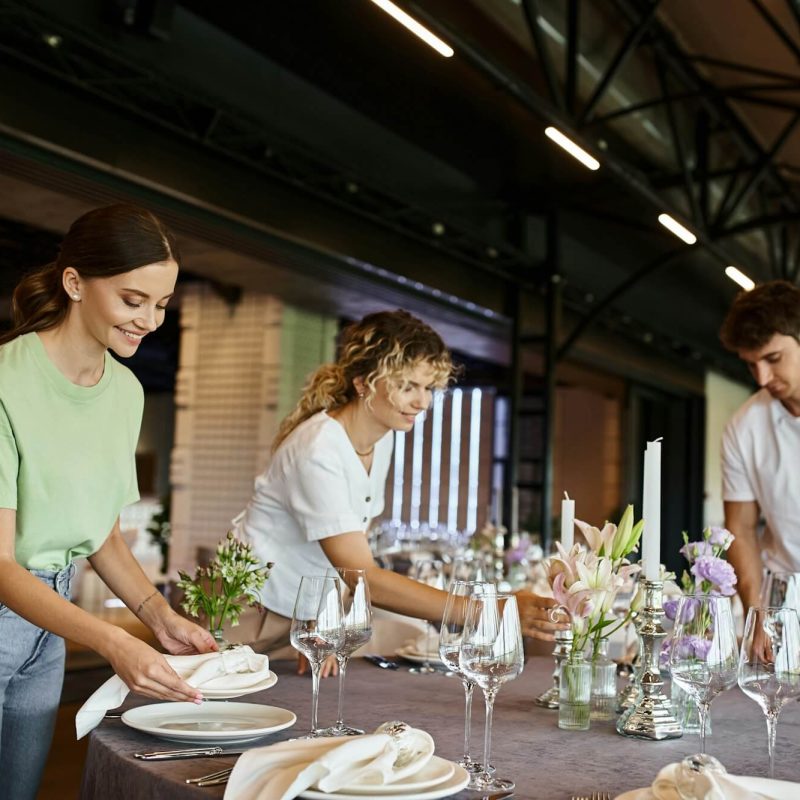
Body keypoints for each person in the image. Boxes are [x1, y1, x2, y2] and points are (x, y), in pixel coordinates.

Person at [0, 204, 217, 800]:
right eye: (132, 300)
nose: (149, 320)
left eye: (162, 304)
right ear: (74, 283)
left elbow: (102, 535)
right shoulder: (3, 384)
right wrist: (112, 639)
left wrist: (157, 618)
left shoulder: (125, 392)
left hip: (50, 619)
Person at [233, 309, 560, 667]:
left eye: (428, 388)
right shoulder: (319, 450)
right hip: (248, 613)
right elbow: (364, 576)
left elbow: (342, 549)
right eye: (407, 386)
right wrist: (491, 610)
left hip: (299, 615)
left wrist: (321, 618)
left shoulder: (381, 437)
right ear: (363, 382)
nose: (422, 402)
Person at [719, 280, 800, 613]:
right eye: (752, 364)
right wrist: (756, 614)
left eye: (773, 358)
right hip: (786, 594)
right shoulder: (743, 426)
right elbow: (740, 527)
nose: (763, 378)